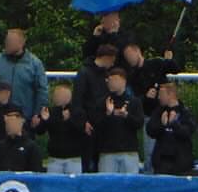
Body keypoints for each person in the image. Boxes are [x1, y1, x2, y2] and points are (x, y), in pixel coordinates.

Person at [122, 42, 178, 172]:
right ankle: (150, 174)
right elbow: (133, 100)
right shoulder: (132, 76)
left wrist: (169, 59)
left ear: (138, 52)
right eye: (126, 57)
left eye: (130, 55)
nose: (129, 59)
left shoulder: (156, 63)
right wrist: (146, 97)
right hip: (149, 116)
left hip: (166, 112)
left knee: (171, 146)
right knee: (150, 151)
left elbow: (175, 68)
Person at [72, 42, 118, 173]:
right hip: (89, 124)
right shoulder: (84, 73)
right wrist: (82, 122)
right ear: (107, 58)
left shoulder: (106, 75)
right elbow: (77, 99)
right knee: (87, 162)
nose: (112, 64)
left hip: (102, 123)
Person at [0, 29, 49, 120]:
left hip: (24, 118)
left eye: (10, 41)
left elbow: (42, 90)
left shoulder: (35, 64)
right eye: (6, 40)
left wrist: (37, 114)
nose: (7, 43)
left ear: (21, 43)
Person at [95, 67, 143, 175]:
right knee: (107, 186)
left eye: (115, 80)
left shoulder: (134, 102)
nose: (112, 83)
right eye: (110, 81)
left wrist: (126, 115)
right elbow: (97, 126)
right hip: (107, 152)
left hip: (129, 151)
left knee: (130, 185)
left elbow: (139, 123)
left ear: (123, 81)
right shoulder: (102, 102)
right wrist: (108, 114)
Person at [36, 83, 87, 175]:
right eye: (55, 95)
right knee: (53, 186)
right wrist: (44, 120)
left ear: (68, 97)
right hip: (55, 158)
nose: (55, 97)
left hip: (73, 158)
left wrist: (69, 120)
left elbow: (82, 132)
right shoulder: (50, 111)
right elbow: (40, 131)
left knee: (73, 186)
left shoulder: (78, 112)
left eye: (58, 95)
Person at [145, 81, 194, 176]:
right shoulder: (159, 112)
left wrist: (174, 124)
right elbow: (150, 131)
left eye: (161, 94)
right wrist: (162, 125)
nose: (158, 97)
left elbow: (188, 132)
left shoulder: (185, 112)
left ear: (171, 95)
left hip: (181, 164)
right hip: (161, 162)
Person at [0, 108, 42, 172]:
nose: (9, 126)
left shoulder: (31, 147)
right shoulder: (0, 146)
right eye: (7, 123)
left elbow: (36, 172)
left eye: (12, 123)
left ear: (20, 123)